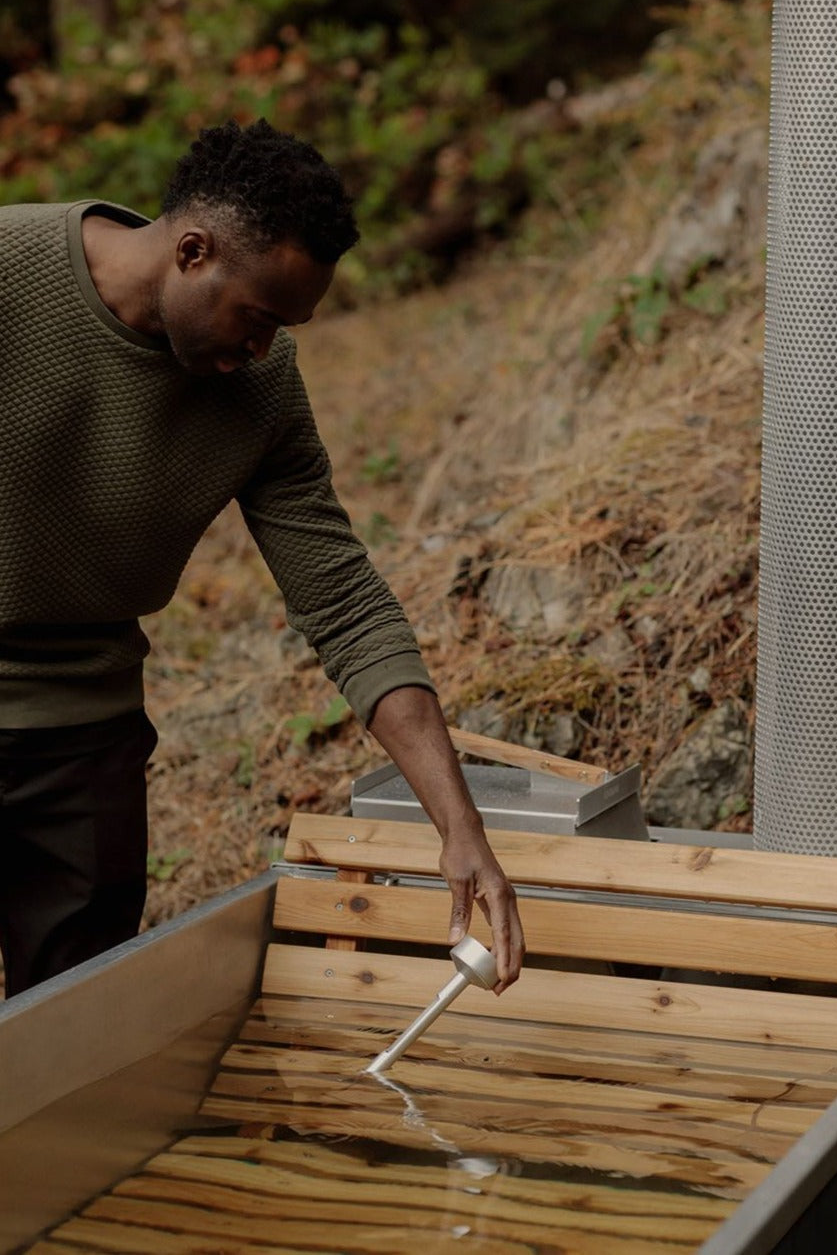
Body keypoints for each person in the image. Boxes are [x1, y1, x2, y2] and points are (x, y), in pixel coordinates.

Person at [0, 117, 525, 999]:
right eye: (258, 318)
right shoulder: (12, 273)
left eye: (286, 328)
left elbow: (345, 604)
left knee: (65, 1050)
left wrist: (458, 824)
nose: (263, 349)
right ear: (192, 251)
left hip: (82, 749)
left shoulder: (261, 392)